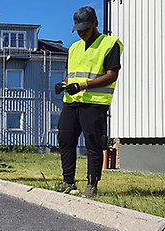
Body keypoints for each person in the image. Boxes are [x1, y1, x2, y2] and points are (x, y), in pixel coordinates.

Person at [54, 6, 123, 197]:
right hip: (72, 101)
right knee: (65, 140)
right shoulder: (74, 48)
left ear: (95, 23)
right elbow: (71, 75)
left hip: (94, 103)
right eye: (79, 29)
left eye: (85, 28)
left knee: (93, 143)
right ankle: (68, 181)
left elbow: (111, 75)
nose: (82, 32)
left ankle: (92, 185)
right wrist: (63, 84)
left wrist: (83, 86)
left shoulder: (109, 44)